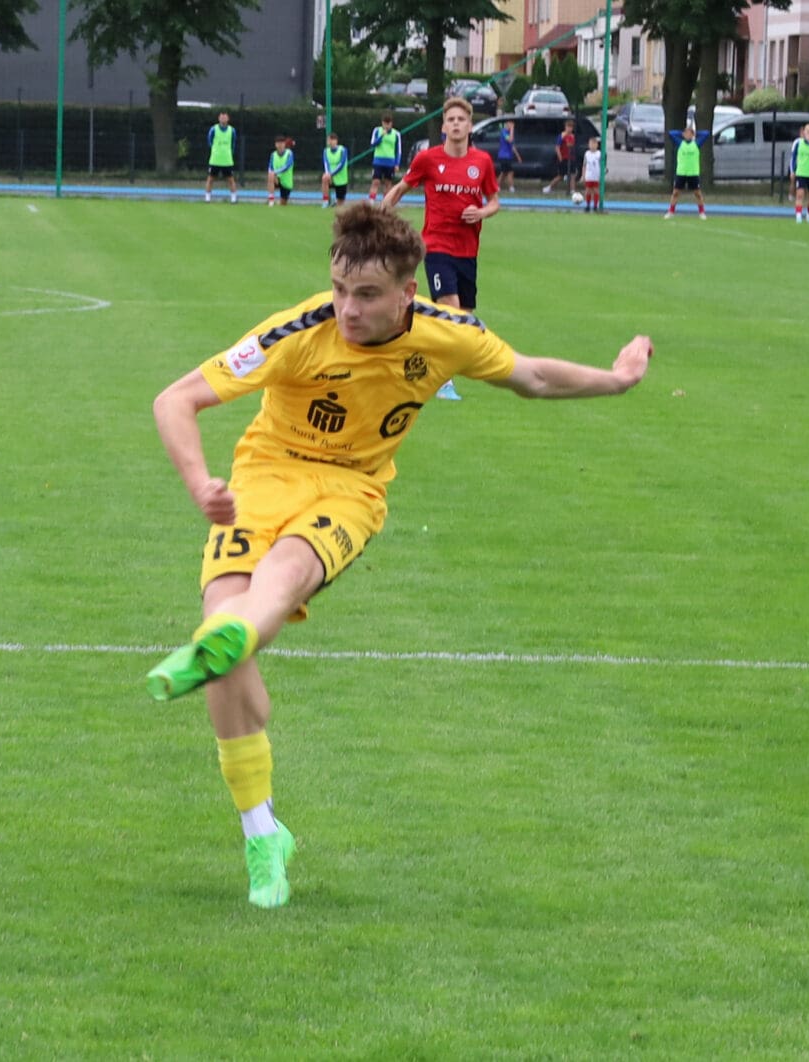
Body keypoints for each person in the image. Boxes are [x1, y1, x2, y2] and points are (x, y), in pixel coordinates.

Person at [142, 201, 653, 909]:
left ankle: (223, 641)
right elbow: (176, 399)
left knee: (285, 574)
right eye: (341, 291)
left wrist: (617, 378)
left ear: (408, 293)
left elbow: (532, 376)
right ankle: (264, 830)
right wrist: (201, 484)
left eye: (368, 296)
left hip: (350, 492)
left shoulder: (448, 336)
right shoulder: (298, 330)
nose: (348, 310)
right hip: (260, 480)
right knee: (233, 678)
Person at [380, 96, 499, 401]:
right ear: (444, 126)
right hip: (436, 246)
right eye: (451, 120)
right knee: (451, 308)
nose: (456, 124)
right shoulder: (428, 159)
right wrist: (382, 212)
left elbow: (494, 202)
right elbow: (403, 186)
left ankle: (414, 340)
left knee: (463, 320)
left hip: (468, 251)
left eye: (462, 120)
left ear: (470, 126)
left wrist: (481, 213)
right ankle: (441, 380)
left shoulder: (481, 162)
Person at [664, 123, 711, 219]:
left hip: (693, 173)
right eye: (686, 133)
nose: (687, 135)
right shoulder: (680, 143)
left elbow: (706, 134)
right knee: (675, 193)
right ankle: (671, 211)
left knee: (697, 193)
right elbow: (671, 133)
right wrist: (682, 133)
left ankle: (702, 212)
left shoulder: (696, 143)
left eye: (689, 133)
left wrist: (695, 133)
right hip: (681, 172)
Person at [205, 112, 238, 204]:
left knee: (231, 179)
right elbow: (209, 141)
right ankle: (207, 198)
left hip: (227, 160)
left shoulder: (232, 130)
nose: (223, 119)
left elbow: (233, 143)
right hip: (215, 159)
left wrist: (229, 153)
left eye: (225, 118)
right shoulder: (213, 129)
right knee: (210, 179)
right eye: (221, 118)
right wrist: (215, 150)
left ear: (228, 119)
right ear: (219, 119)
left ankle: (233, 198)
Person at [368, 113, 401, 199]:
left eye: (388, 123)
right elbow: (373, 144)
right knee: (376, 182)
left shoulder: (396, 134)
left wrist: (397, 163)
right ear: (382, 123)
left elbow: (398, 150)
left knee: (388, 183)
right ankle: (371, 203)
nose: (387, 125)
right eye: (385, 123)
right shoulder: (377, 131)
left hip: (390, 162)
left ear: (391, 123)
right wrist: (381, 136)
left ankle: (386, 204)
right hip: (378, 161)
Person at [543, 119, 576, 196]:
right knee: (561, 175)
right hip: (564, 158)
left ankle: (572, 190)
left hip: (571, 158)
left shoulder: (572, 136)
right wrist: (560, 157)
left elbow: (572, 146)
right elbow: (557, 147)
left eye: (571, 127)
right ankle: (549, 187)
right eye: (568, 127)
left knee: (572, 175)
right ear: (565, 127)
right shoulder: (561, 136)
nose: (569, 129)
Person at [320, 132, 350, 207]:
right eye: (329, 140)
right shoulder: (326, 151)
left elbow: (341, 164)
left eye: (332, 140)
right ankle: (325, 201)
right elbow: (326, 164)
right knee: (324, 178)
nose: (330, 142)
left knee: (340, 204)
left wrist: (331, 174)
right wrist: (328, 174)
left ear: (336, 141)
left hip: (341, 179)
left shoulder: (342, 150)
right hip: (331, 178)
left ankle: (336, 202)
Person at [267, 136, 295, 206]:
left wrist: (275, 172)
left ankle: (279, 202)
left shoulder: (289, 153)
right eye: (278, 143)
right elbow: (270, 168)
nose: (280, 145)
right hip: (277, 179)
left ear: (284, 144)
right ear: (275, 145)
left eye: (282, 143)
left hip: (286, 181)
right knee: (270, 175)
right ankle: (271, 200)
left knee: (283, 204)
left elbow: (287, 166)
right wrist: (274, 174)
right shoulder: (273, 155)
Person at [580, 136, 603, 214]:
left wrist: (603, 172)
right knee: (588, 191)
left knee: (596, 190)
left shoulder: (599, 154)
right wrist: (583, 175)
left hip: (596, 176)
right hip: (588, 176)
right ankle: (587, 205)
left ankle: (595, 206)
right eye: (591, 144)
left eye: (594, 144)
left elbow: (602, 165)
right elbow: (584, 165)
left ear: (597, 145)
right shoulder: (587, 154)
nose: (592, 145)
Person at [495, 119, 517, 194]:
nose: (511, 125)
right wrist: (512, 129)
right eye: (510, 124)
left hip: (508, 156)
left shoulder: (508, 132)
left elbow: (512, 145)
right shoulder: (504, 132)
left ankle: (496, 186)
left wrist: (517, 155)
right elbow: (510, 140)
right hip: (504, 156)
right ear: (507, 124)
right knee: (510, 172)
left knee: (504, 172)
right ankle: (511, 187)